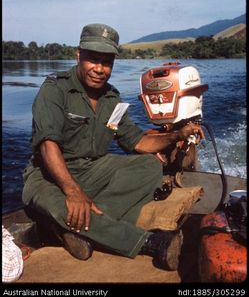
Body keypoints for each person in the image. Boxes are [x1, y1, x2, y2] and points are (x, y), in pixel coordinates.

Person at [22, 23, 204, 271]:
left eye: (106, 62)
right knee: (53, 202)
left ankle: (76, 231)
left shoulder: (112, 98)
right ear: (78, 55)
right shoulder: (55, 89)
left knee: (150, 166)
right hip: (49, 175)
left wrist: (177, 135)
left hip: (93, 169)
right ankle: (150, 241)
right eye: (93, 59)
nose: (99, 69)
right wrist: (73, 191)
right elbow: (47, 146)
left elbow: (139, 142)